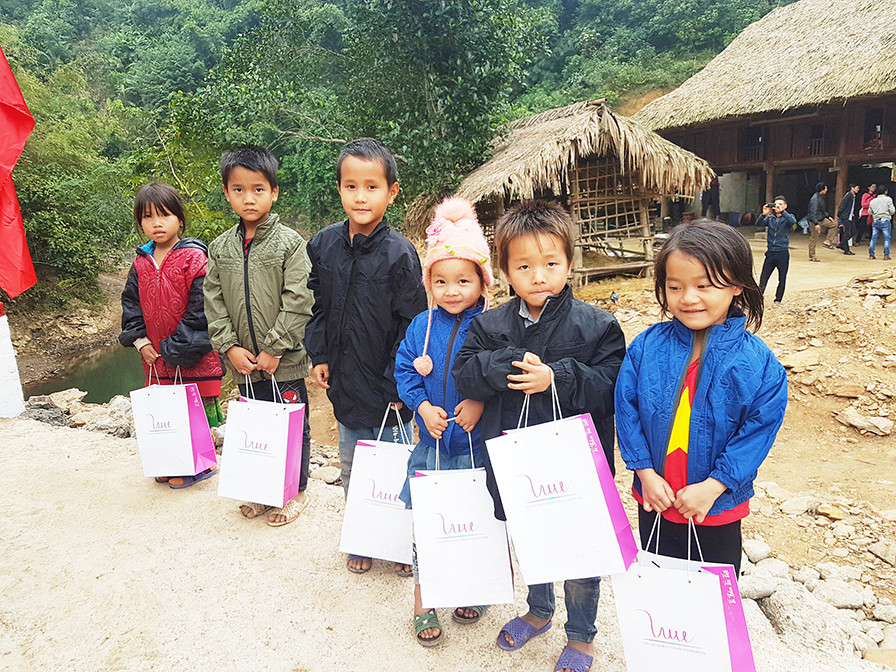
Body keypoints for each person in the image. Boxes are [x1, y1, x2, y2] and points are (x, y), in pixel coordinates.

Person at [453, 201, 626, 672]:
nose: (539, 275)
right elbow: (464, 374)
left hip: (573, 463)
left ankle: (582, 634)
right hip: (515, 459)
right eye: (524, 266)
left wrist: (558, 377)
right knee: (530, 534)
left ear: (570, 263)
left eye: (551, 263)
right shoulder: (490, 325)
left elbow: (610, 385)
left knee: (578, 547)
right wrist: (505, 361)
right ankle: (540, 609)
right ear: (505, 271)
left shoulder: (597, 325)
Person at [615, 220, 788, 577]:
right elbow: (626, 408)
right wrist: (644, 473)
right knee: (661, 587)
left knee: (712, 602)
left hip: (715, 506)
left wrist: (714, 487)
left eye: (704, 286)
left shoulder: (758, 363)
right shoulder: (646, 347)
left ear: (737, 284)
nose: (688, 298)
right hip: (656, 499)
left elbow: (757, 432)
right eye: (675, 286)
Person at [305, 137, 427, 575]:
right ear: (338, 189)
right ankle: (361, 535)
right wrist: (319, 353)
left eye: (372, 186)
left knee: (396, 467)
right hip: (344, 382)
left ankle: (400, 542)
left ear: (391, 192)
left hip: (388, 389)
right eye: (351, 185)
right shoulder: (322, 246)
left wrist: (399, 386)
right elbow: (317, 306)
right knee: (353, 463)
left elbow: (414, 326)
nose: (361, 196)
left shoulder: (400, 255)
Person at [394, 197, 493, 647]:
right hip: (431, 449)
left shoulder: (493, 326)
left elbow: (501, 374)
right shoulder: (421, 326)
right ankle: (424, 599)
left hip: (475, 449)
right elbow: (403, 369)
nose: (452, 290)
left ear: (481, 282)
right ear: (429, 282)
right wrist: (421, 406)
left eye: (463, 280)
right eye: (441, 281)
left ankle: (469, 587)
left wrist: (477, 400)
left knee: (472, 520)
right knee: (429, 525)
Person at [204, 145, 313, 526]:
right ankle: (262, 490)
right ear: (227, 192)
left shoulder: (290, 244)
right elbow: (213, 303)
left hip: (283, 362)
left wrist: (274, 348)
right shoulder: (219, 248)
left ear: (274, 192)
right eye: (239, 189)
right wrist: (229, 347)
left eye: (258, 189)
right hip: (244, 363)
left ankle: (296, 491)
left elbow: (299, 299)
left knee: (292, 424)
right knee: (256, 425)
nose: (248, 198)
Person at [121, 182, 224, 488]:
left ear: (180, 218)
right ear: (140, 222)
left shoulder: (195, 258)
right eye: (148, 217)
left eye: (164, 215)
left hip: (191, 356)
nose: (157, 223)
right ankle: (169, 461)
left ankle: (198, 466)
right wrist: (142, 343)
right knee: (165, 415)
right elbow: (130, 304)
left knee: (192, 413)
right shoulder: (140, 262)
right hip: (156, 358)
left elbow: (203, 310)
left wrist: (173, 347)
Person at [758, 195, 796, 306]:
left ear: (785, 206)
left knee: (782, 278)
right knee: (764, 277)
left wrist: (782, 212)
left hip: (782, 252)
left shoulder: (788, 217)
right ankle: (759, 298)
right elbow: (758, 224)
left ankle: (778, 299)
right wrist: (763, 214)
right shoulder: (770, 218)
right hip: (771, 252)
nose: (777, 206)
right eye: (776, 204)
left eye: (780, 204)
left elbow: (793, 222)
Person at [868, 183, 895, 260]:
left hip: (876, 220)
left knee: (873, 238)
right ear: (885, 192)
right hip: (885, 220)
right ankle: (886, 255)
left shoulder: (873, 201)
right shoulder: (888, 199)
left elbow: (870, 212)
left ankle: (871, 255)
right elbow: (892, 211)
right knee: (887, 238)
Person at [807, 182, 833, 261]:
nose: (826, 190)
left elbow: (822, 210)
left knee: (834, 224)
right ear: (822, 190)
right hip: (815, 220)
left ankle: (827, 241)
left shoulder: (821, 197)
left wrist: (828, 216)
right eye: (825, 188)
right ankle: (812, 256)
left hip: (821, 218)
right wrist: (816, 223)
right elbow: (812, 212)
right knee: (814, 238)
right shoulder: (815, 199)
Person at [837, 183, 860, 255]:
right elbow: (842, 206)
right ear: (852, 188)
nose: (858, 189)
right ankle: (846, 250)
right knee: (847, 233)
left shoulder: (853, 196)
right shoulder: (848, 196)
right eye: (857, 188)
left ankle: (842, 244)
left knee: (854, 231)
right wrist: (839, 214)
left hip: (851, 216)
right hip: (846, 216)